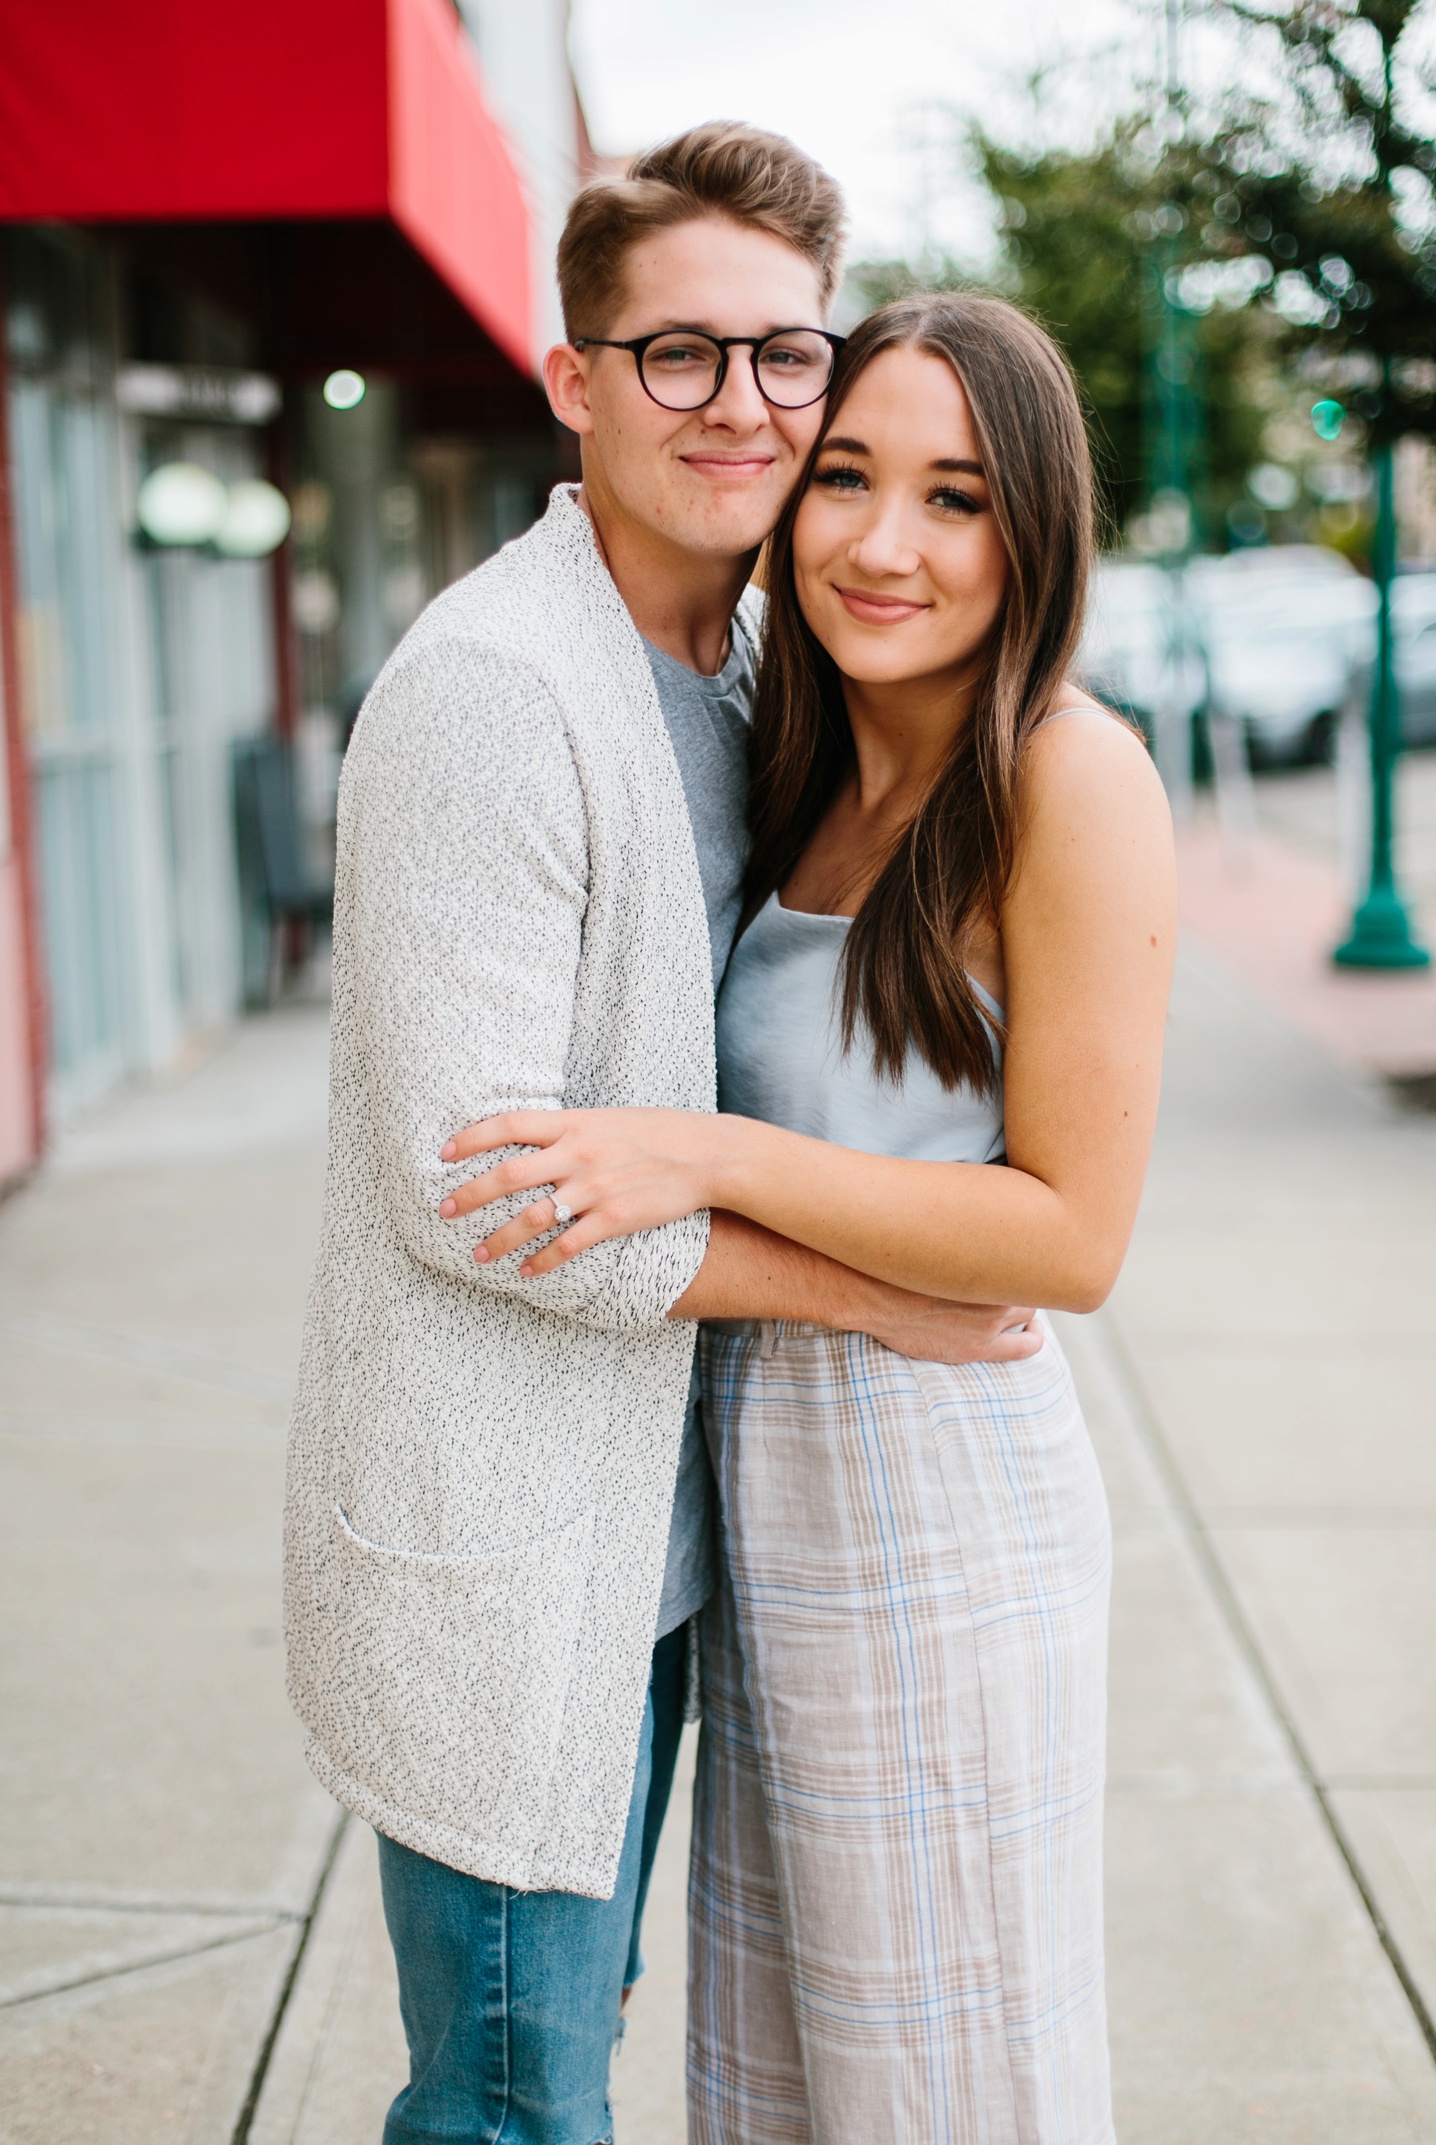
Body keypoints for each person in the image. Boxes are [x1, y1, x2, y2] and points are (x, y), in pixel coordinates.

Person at [283, 131, 1042, 2145]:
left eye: (784, 358)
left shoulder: (749, 669)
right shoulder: (496, 698)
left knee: (574, 2052)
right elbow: (488, 1198)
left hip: (669, 1529)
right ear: (576, 380)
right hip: (512, 1553)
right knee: (517, 2102)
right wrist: (888, 1295)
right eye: (680, 354)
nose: (743, 409)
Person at [439, 292, 1178, 2143]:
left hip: (937, 1487)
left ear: (1039, 530)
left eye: (956, 497)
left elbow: (1073, 1236)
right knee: (797, 2059)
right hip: (766, 1480)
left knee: (941, 2067)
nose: (881, 543)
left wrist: (704, 1152)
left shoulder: (1065, 776)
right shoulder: (811, 748)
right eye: (847, 476)